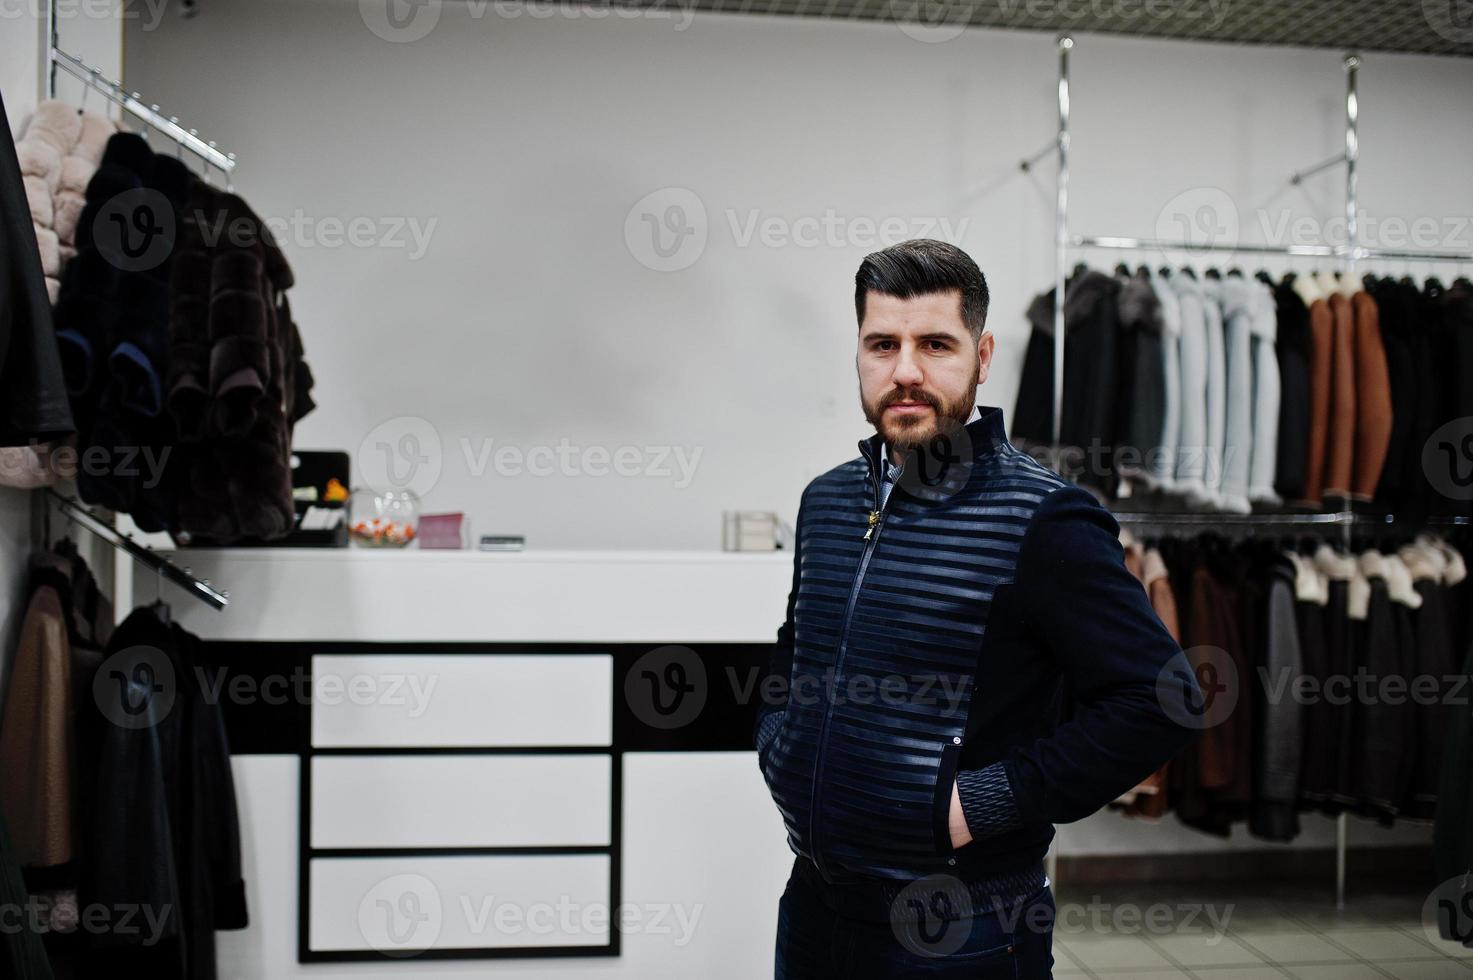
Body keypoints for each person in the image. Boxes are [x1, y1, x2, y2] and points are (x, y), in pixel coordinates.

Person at [753, 239, 1204, 978]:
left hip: (960, 922)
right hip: (814, 905)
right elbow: (796, 639)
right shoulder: (826, 500)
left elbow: (1160, 699)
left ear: (982, 354)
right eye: (881, 344)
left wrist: (977, 803)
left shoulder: (1043, 517)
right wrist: (779, 738)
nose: (904, 370)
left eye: (934, 344)